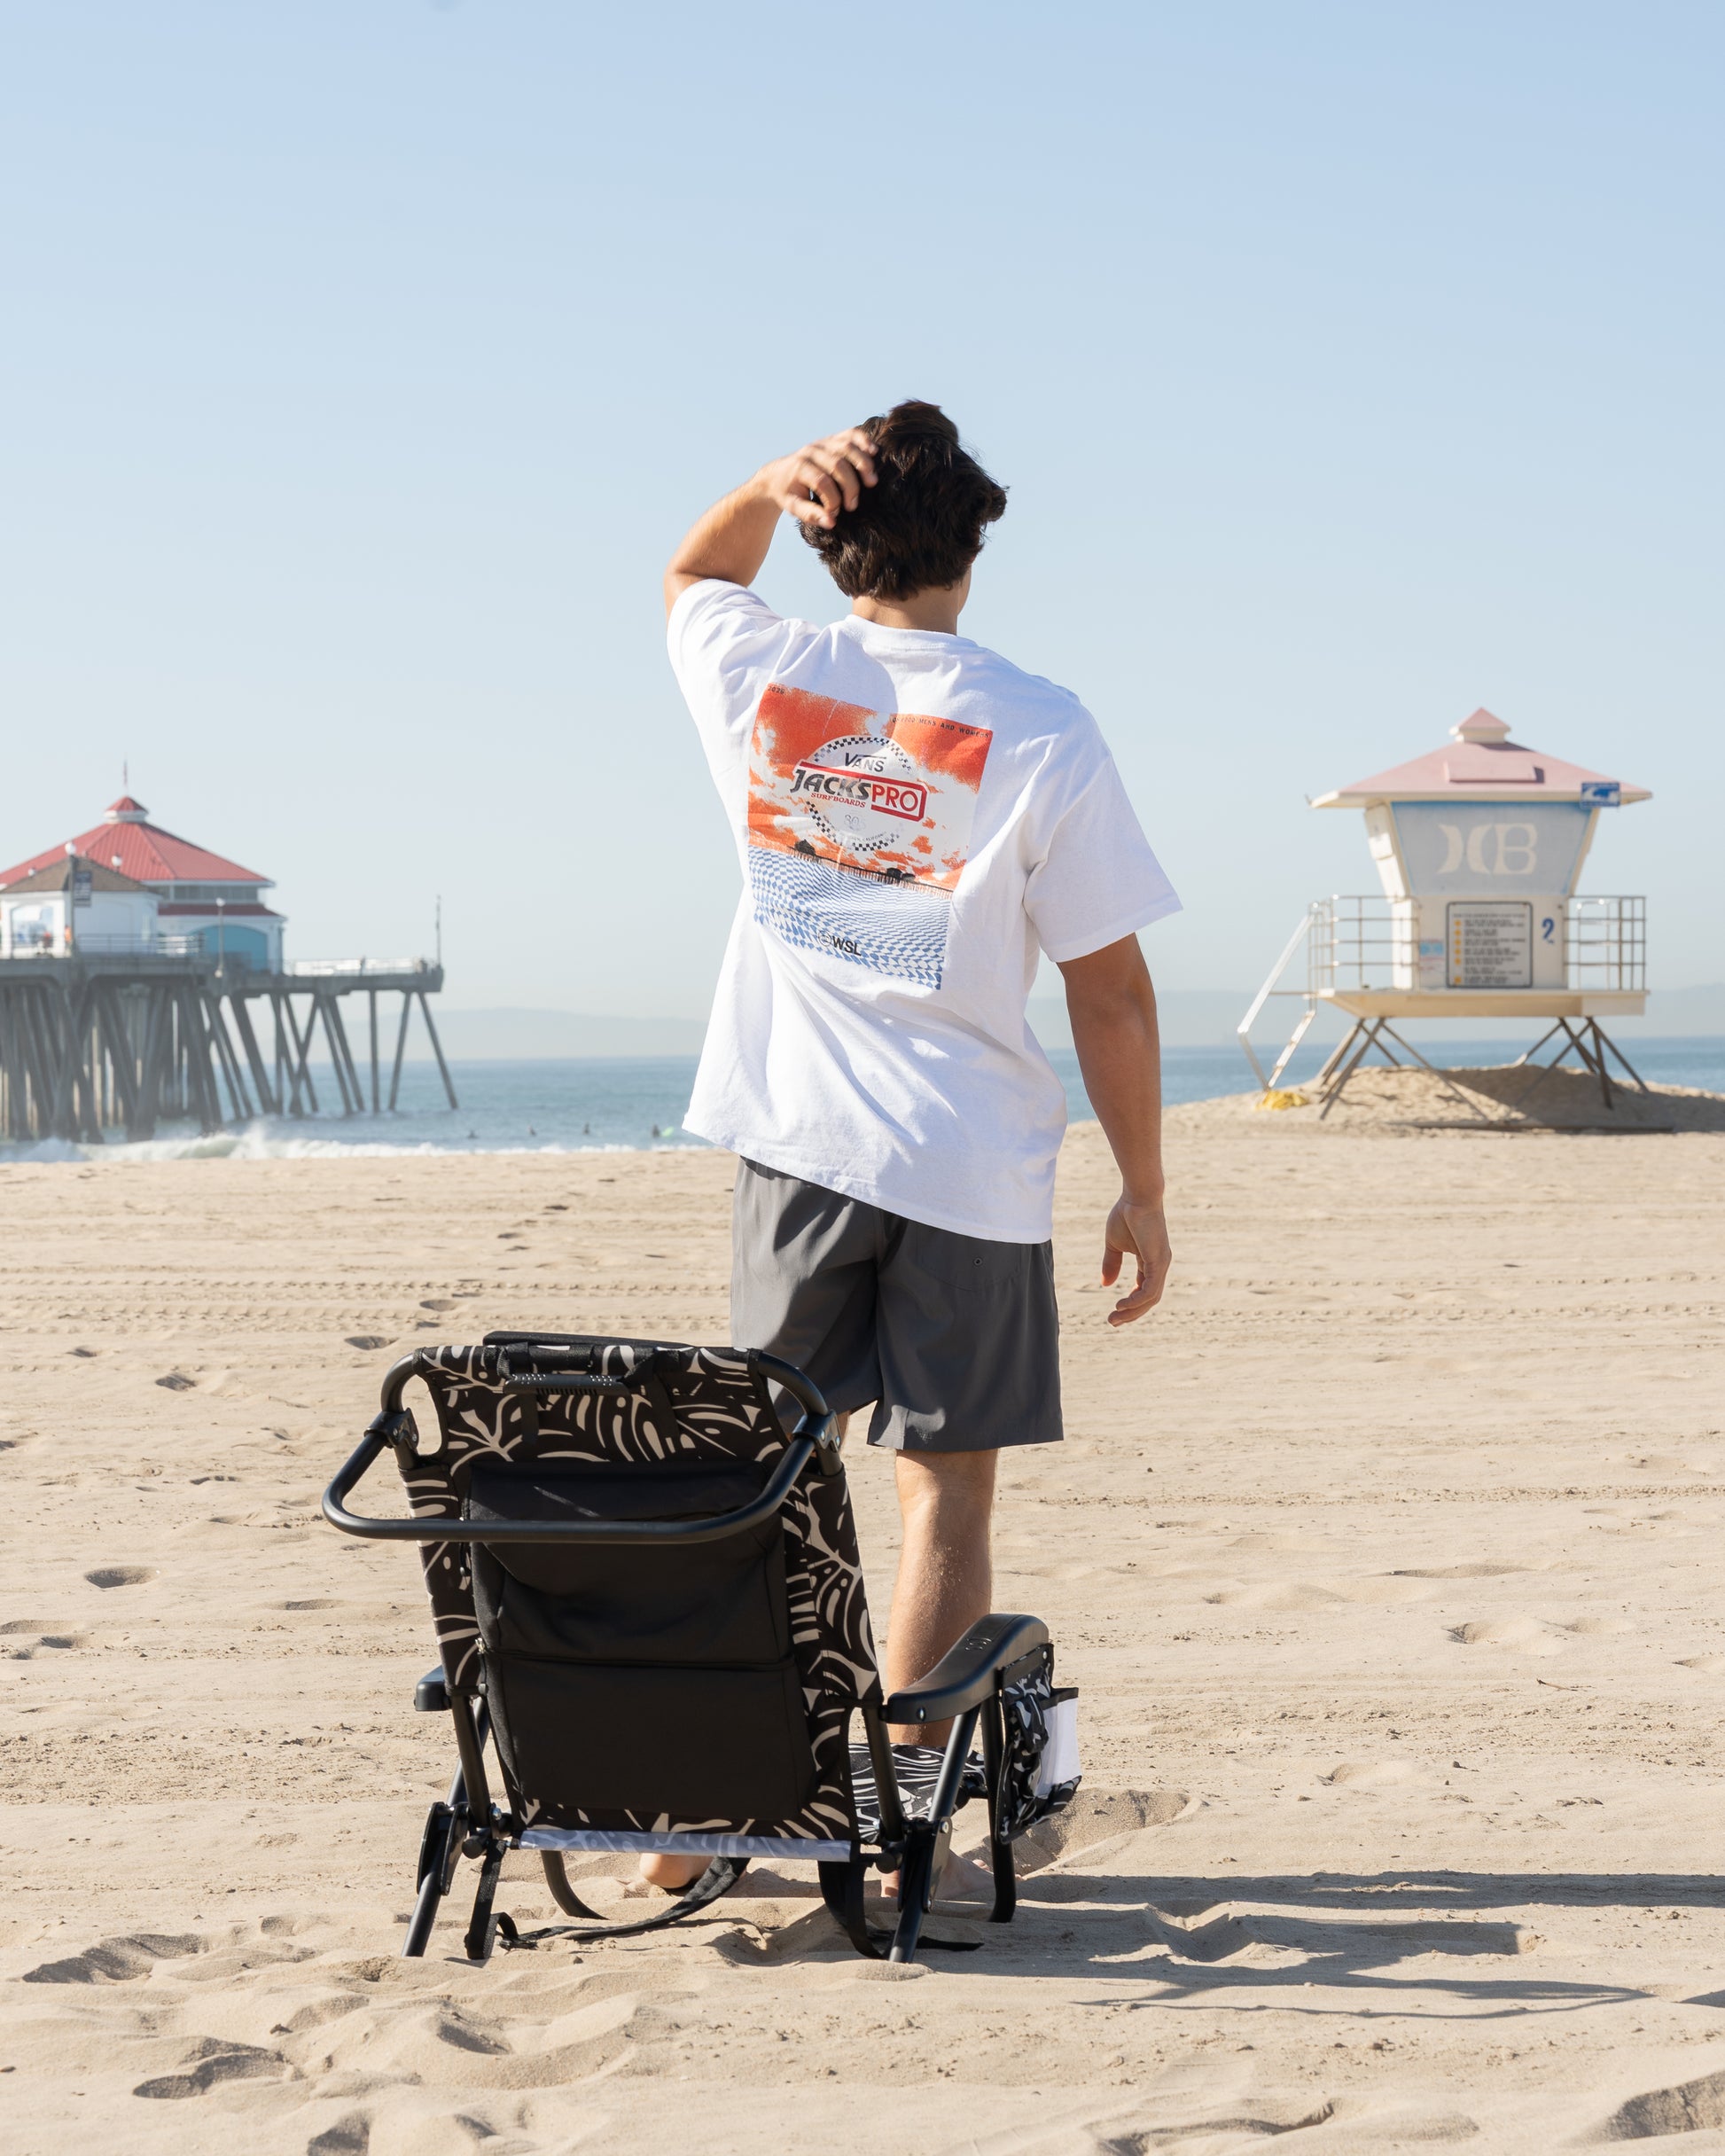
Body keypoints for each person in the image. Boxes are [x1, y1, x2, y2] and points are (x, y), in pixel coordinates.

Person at [650, 402, 1177, 1888]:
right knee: (943, 1487)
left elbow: (691, 573)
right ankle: (895, 1830)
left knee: (767, 1474)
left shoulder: (765, 670)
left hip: (798, 1140)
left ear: (826, 538)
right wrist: (1141, 1184)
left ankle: (701, 1823)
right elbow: (1109, 983)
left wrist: (764, 478)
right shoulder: (1047, 724)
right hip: (971, 1165)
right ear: (977, 539)